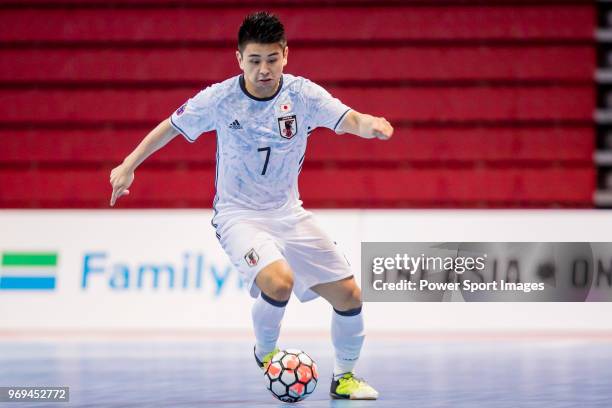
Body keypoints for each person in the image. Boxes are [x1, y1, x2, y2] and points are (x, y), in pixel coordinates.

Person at [109, 11, 393, 400]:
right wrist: (128, 165)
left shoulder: (302, 96)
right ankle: (265, 353)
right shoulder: (220, 99)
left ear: (286, 55)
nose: (264, 70)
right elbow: (170, 127)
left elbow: (348, 119)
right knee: (279, 281)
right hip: (238, 215)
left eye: (272, 60)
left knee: (350, 296)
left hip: (288, 212)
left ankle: (343, 378)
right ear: (239, 58)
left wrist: (370, 125)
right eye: (255, 60)